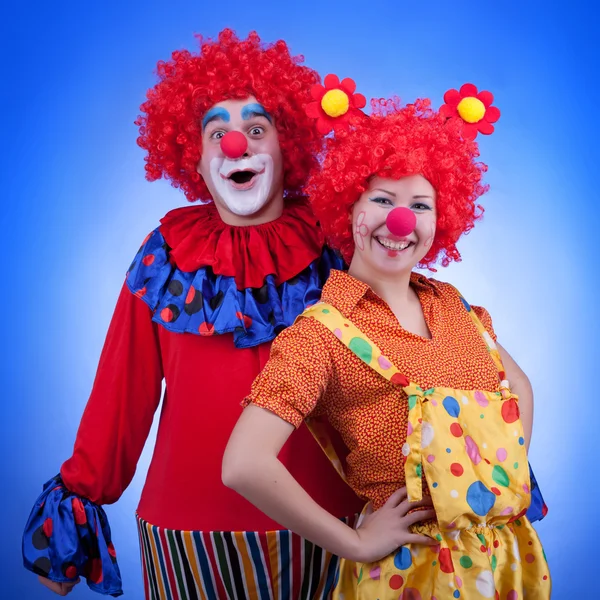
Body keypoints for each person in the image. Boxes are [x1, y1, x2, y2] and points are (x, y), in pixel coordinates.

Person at [22, 32, 362, 599]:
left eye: (258, 129)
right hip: (187, 533)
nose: (236, 144)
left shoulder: (339, 246)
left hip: (332, 526)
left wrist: (461, 458)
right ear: (195, 158)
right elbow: (120, 391)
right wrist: (79, 503)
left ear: (289, 148)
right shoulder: (167, 253)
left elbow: (403, 360)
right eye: (217, 132)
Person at [223, 81, 551, 599]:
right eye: (382, 199)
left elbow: (520, 389)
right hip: (411, 575)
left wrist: (495, 489)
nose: (401, 220)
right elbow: (243, 464)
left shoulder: (456, 306)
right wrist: (353, 542)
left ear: (441, 220)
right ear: (348, 209)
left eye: (420, 205)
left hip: (504, 562)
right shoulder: (319, 335)